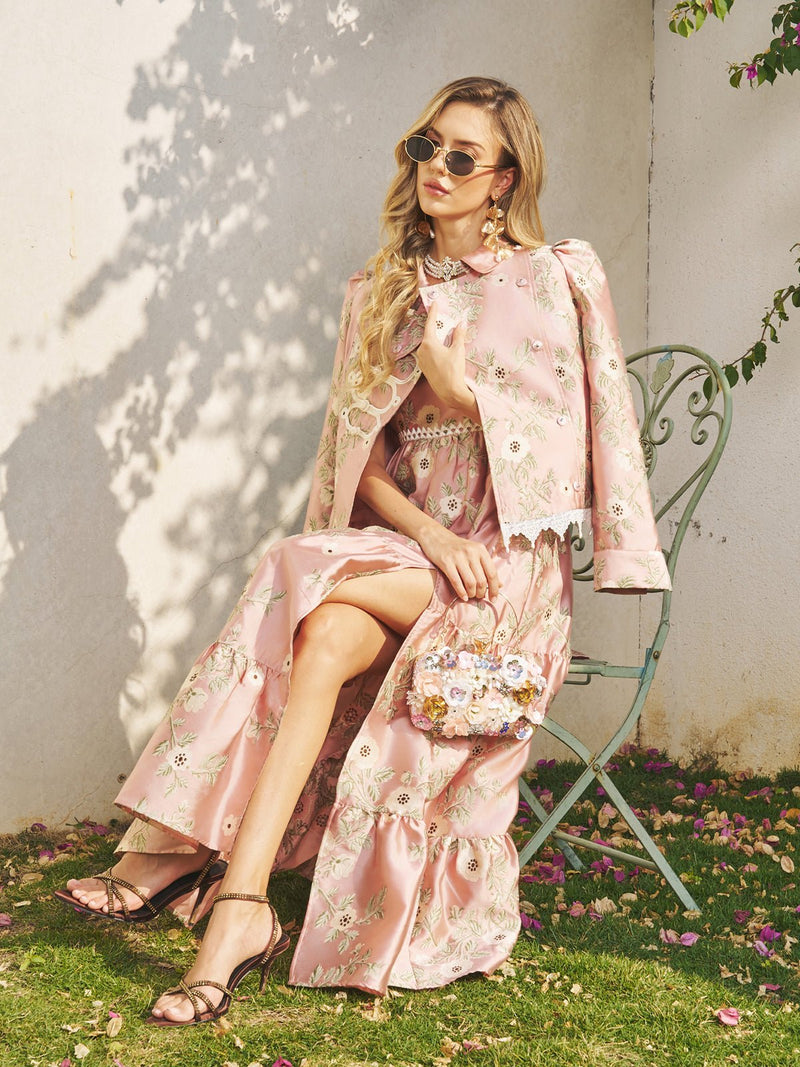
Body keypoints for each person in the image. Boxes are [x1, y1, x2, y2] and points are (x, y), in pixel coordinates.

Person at [55, 76, 670, 1025]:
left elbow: (574, 448)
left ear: (504, 179)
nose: (436, 168)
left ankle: (183, 855)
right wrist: (423, 527)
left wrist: (458, 395)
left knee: (295, 572)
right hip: (414, 560)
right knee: (328, 629)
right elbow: (362, 464)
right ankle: (244, 905)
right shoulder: (380, 290)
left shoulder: (556, 278)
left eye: (462, 157)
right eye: (428, 146)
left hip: (503, 578)